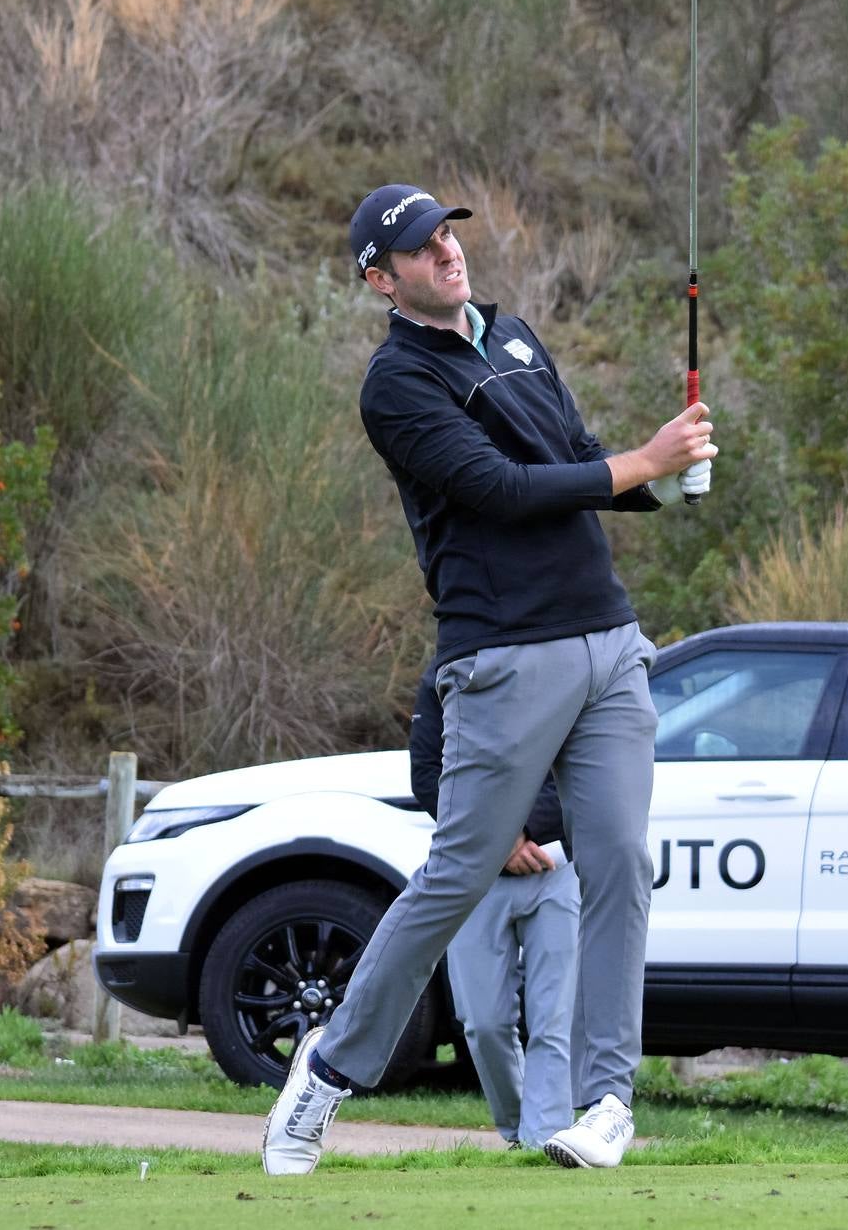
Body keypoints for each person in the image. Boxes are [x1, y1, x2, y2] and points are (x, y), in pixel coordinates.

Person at [262, 183, 716, 1175]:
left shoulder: (513, 340)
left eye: (447, 236)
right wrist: (640, 460)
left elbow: (575, 465)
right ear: (383, 280)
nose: (446, 252)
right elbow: (501, 492)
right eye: (421, 249)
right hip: (502, 654)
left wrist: (663, 477)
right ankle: (329, 1072)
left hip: (606, 641)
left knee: (619, 865)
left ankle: (602, 1103)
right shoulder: (396, 383)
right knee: (458, 875)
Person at [410, 662, 580, 1151]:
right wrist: (501, 838)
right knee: (483, 1023)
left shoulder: (562, 672)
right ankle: (518, 1130)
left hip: (554, 863)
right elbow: (428, 776)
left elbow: (578, 772)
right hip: (475, 870)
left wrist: (524, 833)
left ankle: (540, 1139)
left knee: (552, 1017)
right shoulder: (442, 677)